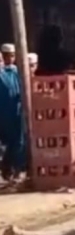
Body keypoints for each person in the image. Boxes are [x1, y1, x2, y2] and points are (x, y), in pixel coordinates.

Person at [0, 44, 26, 183]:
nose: (9, 58)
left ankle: (16, 170)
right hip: (4, 112)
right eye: (6, 56)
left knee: (19, 142)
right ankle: (7, 168)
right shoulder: (1, 73)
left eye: (12, 55)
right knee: (8, 143)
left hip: (17, 111)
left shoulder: (19, 72)